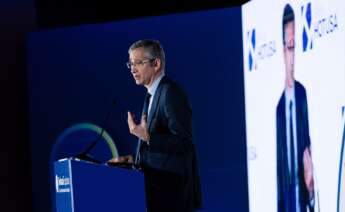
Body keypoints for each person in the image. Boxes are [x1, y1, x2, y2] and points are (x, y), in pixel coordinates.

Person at [108, 39, 202, 212]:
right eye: (130, 64)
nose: (133, 69)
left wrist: (149, 137)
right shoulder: (151, 94)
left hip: (172, 197)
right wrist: (133, 161)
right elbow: (158, 150)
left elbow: (185, 144)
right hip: (156, 195)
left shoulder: (170, 92)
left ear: (156, 63)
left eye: (138, 63)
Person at [276, 4, 315, 212]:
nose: (292, 58)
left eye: (295, 47)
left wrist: (310, 190)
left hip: (304, 197)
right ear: (283, 50)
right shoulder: (279, 109)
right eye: (289, 48)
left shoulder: (303, 95)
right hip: (289, 197)